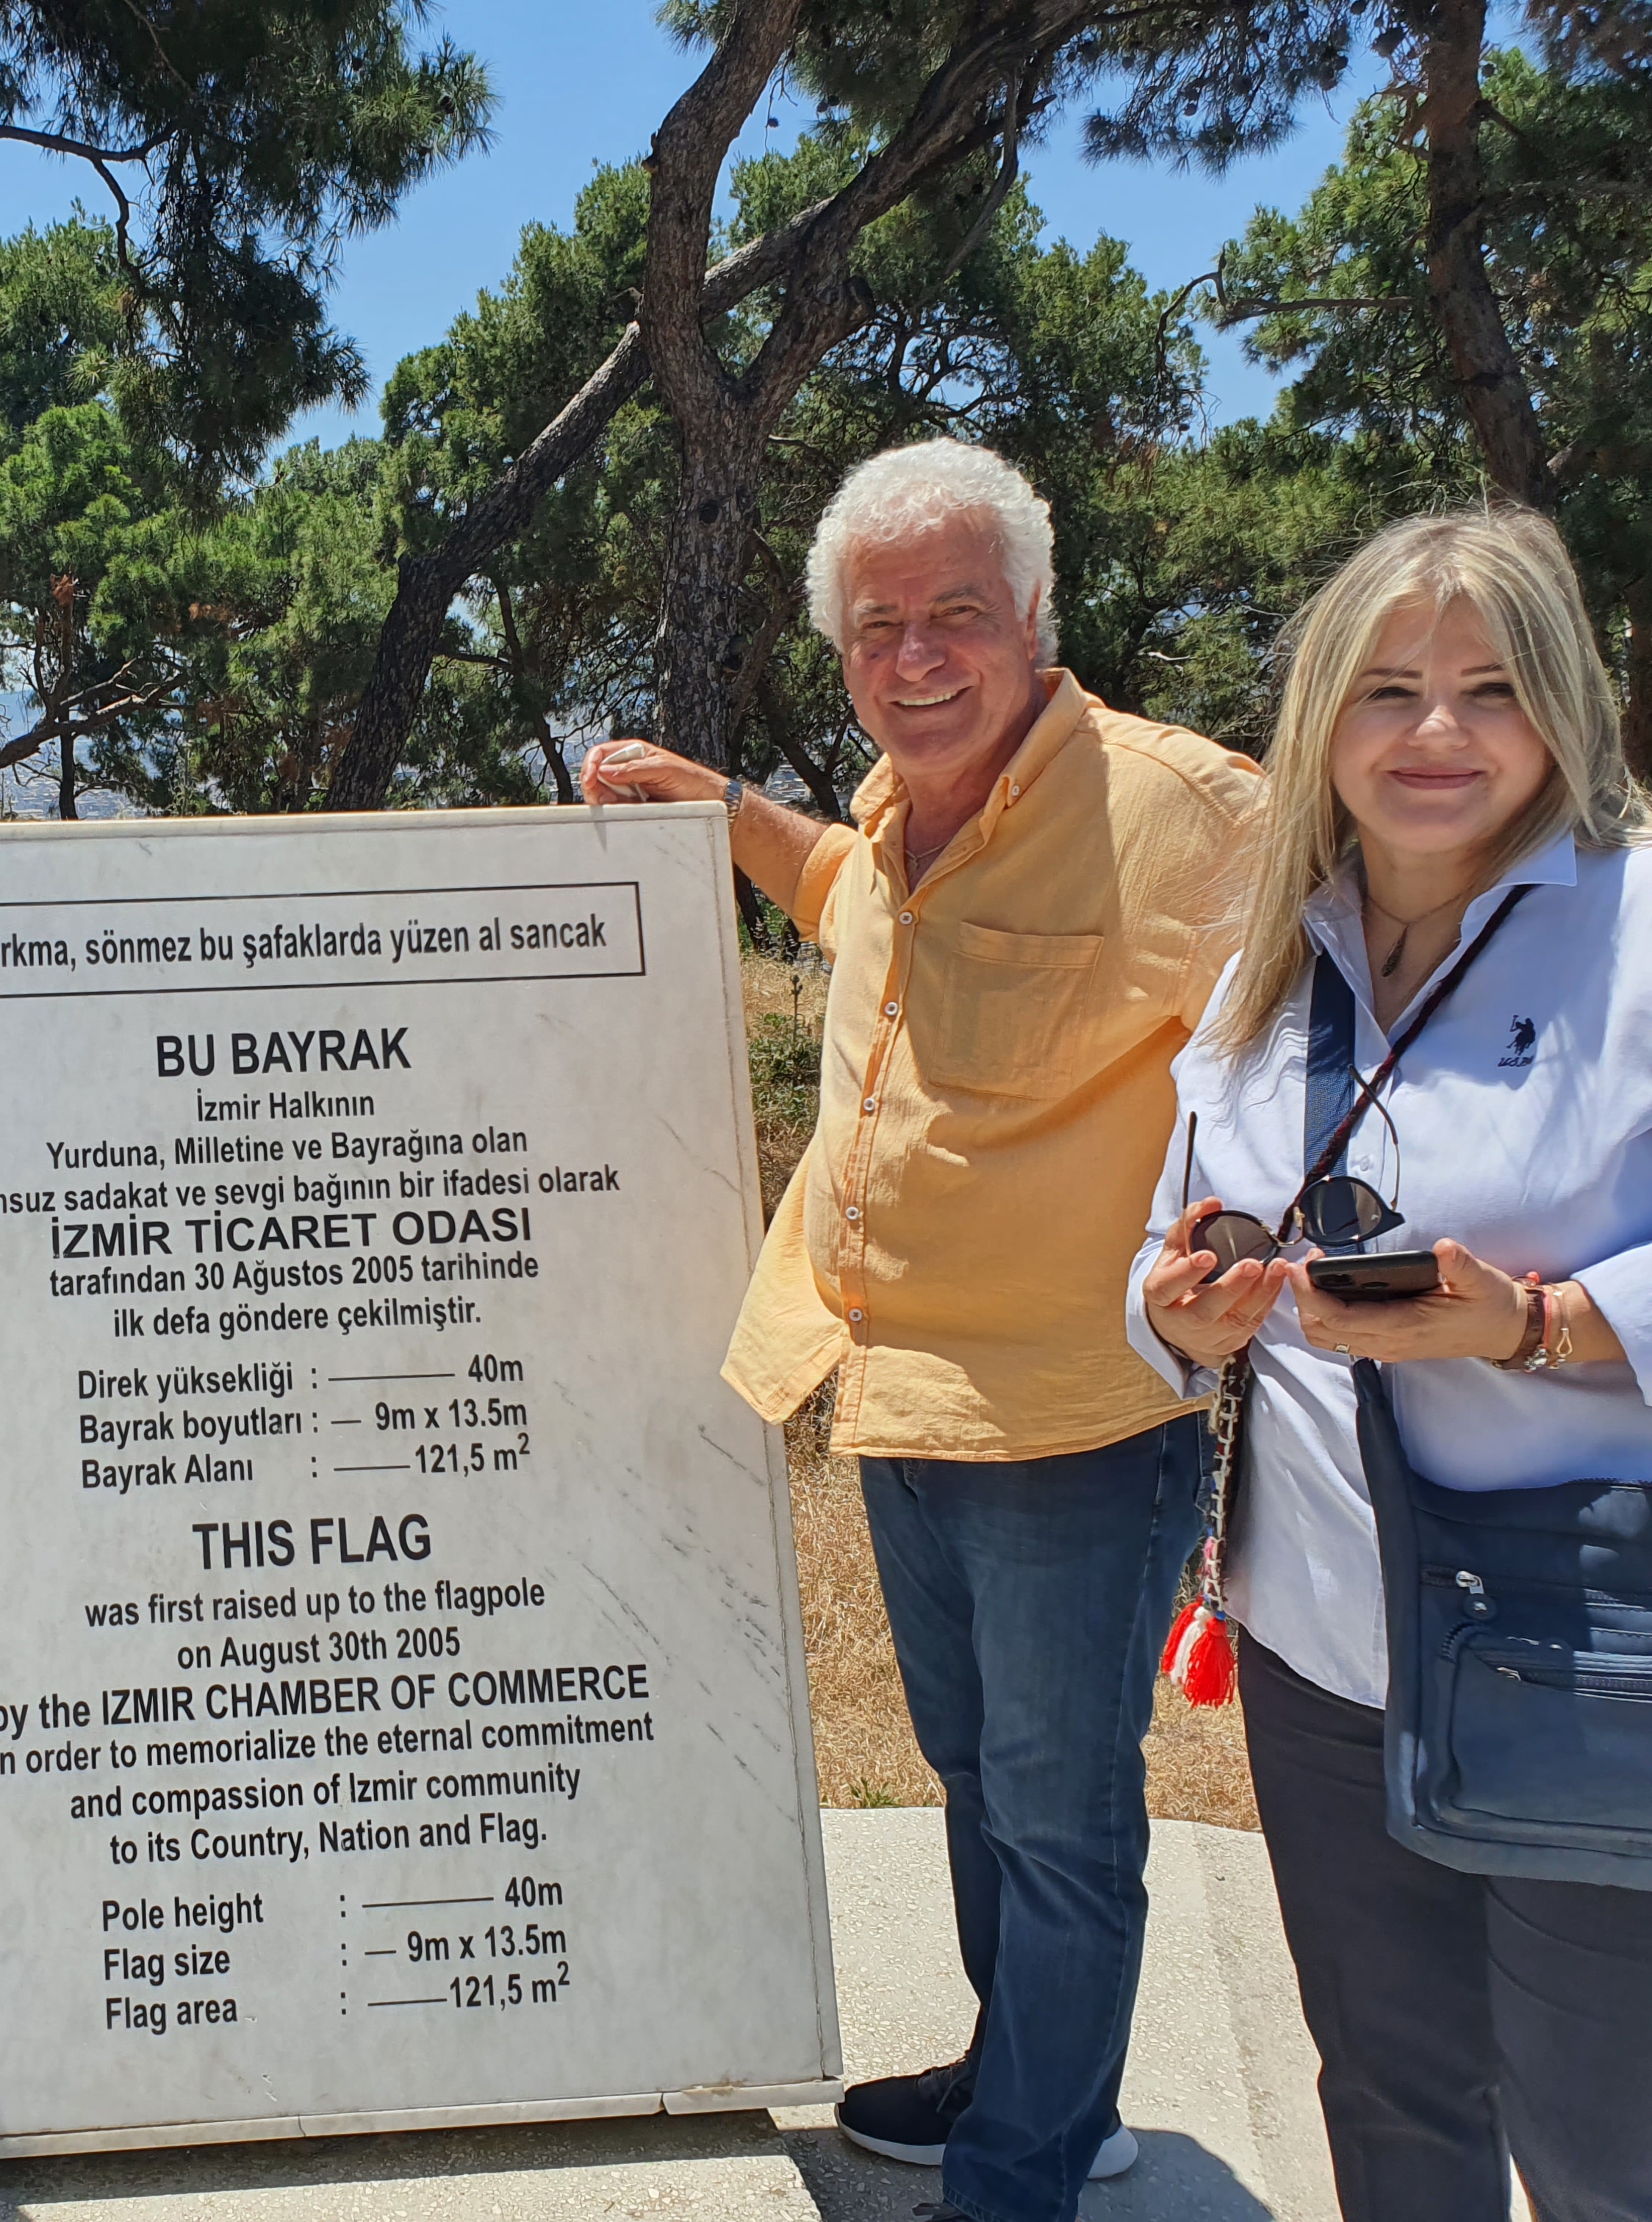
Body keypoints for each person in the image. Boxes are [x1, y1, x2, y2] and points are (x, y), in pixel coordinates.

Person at [586, 439, 1260, 2222]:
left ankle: (1028, 2165)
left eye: (958, 612)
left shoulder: (1184, 812)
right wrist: (725, 807)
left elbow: (1330, 1007)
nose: (917, 654)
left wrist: (1259, 1237)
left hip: (1078, 1424)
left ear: (1037, 616)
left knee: (1061, 1812)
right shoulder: (899, 813)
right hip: (897, 1400)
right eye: (878, 625)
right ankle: (1016, 2072)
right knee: (979, 1782)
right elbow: (851, 901)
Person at [1134, 508, 1652, 2221]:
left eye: (1493, 688)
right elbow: (1167, 1246)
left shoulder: (1638, 928)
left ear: (1566, 707)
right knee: (1387, 2094)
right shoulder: (1267, 965)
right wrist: (1181, 1307)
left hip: (1585, 1648)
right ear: (1323, 719)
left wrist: (1535, 1324)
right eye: (1389, 689)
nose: (1438, 733)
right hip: (1323, 1647)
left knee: (1605, 2140)